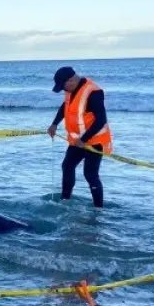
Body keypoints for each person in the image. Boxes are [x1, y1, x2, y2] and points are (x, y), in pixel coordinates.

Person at [46, 66, 113, 208]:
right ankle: (65, 200)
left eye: (63, 86)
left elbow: (101, 120)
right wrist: (54, 124)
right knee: (67, 166)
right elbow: (65, 107)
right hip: (78, 141)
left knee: (90, 174)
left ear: (70, 80)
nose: (63, 90)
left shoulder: (93, 92)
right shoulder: (70, 90)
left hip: (95, 140)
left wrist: (84, 139)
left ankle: (98, 208)